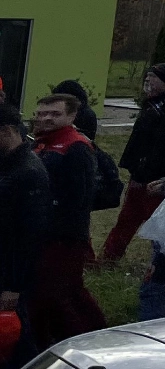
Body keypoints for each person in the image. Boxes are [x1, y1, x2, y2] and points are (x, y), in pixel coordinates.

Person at [29, 93, 104, 340]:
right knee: (60, 291)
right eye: (41, 114)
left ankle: (82, 338)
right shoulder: (41, 143)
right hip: (43, 233)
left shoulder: (76, 147)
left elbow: (79, 198)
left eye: (54, 114)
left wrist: (63, 232)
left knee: (57, 293)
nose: (46, 118)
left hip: (63, 237)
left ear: (71, 116)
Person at [104, 64, 165, 263]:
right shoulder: (152, 104)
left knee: (157, 223)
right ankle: (109, 257)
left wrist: (148, 173)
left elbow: (162, 145)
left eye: (153, 77)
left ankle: (160, 263)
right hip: (139, 174)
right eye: (147, 76)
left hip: (154, 178)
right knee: (126, 220)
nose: (147, 81)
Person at [0, 102, 48, 362]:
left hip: (9, 274)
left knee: (14, 337)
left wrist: (13, 287)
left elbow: (29, 237)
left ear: (7, 131)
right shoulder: (8, 163)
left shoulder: (28, 172)